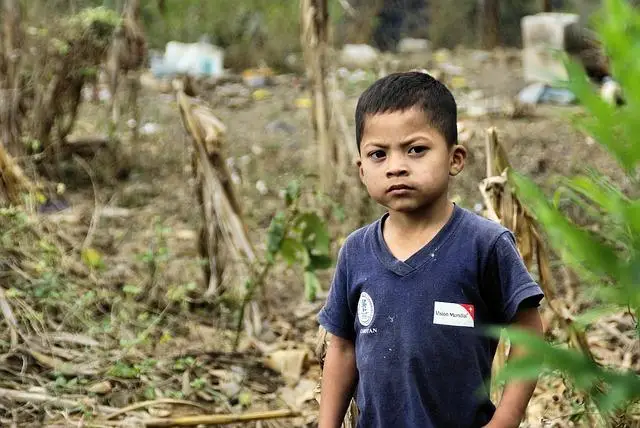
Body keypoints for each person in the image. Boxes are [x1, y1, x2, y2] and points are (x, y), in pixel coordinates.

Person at [317, 71, 545, 428]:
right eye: (378, 154)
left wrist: (506, 419)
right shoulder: (356, 251)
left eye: (416, 150)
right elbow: (342, 347)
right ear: (362, 171)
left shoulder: (484, 244)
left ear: (455, 158)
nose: (396, 167)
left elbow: (529, 333)